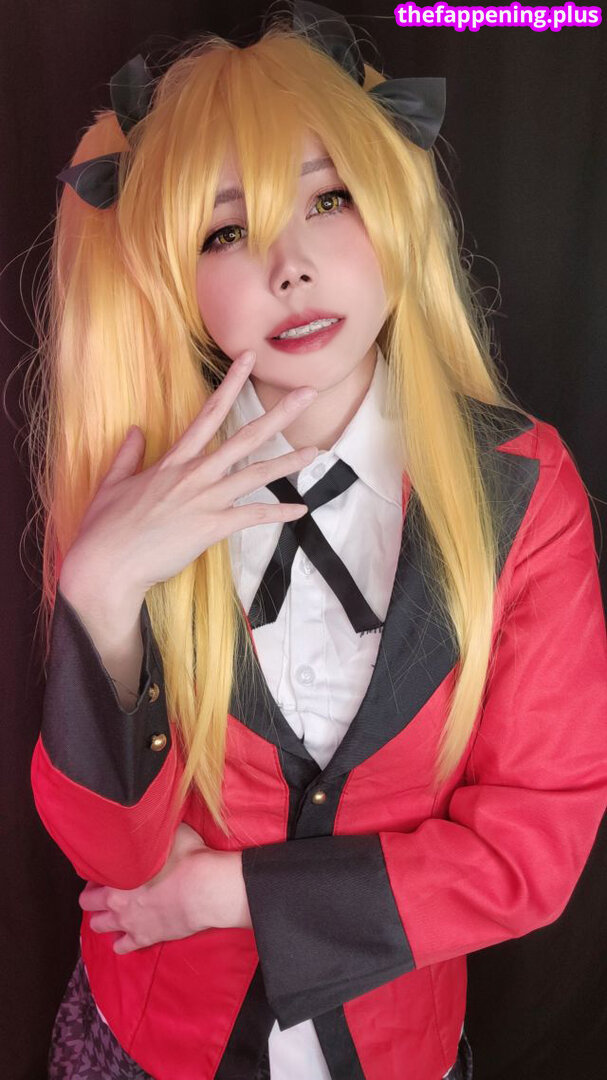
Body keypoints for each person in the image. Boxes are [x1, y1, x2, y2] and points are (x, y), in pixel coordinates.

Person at [28, 4, 607, 1079]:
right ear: (174, 281)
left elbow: (531, 847)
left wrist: (226, 894)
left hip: (394, 1049)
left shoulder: (524, 493)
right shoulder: (137, 491)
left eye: (327, 198)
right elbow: (112, 857)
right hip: (149, 1042)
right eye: (224, 232)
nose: (288, 266)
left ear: (392, 203)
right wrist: (100, 593)